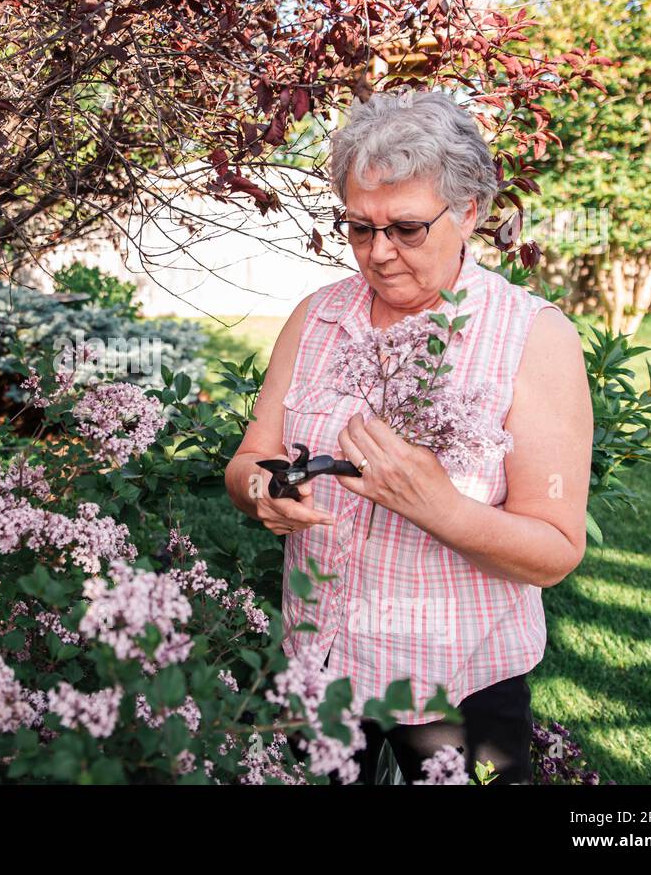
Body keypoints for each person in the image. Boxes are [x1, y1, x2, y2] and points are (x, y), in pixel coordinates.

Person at [225, 90, 592, 784]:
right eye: (359, 228)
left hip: (462, 680)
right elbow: (251, 457)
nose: (379, 253)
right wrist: (260, 491)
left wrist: (441, 508)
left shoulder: (533, 338)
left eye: (407, 228)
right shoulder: (318, 318)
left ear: (471, 214)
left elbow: (555, 550)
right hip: (320, 665)